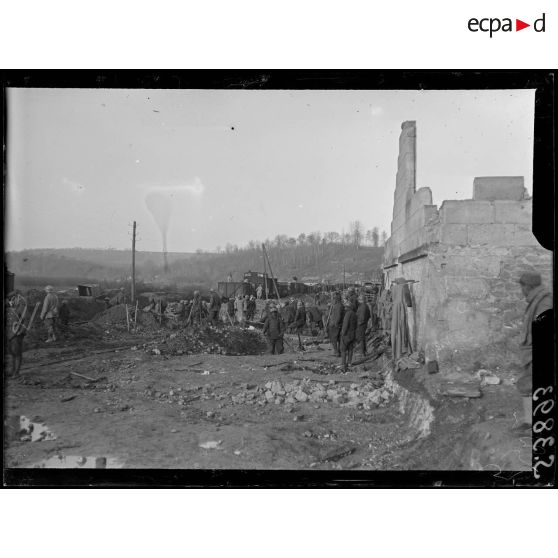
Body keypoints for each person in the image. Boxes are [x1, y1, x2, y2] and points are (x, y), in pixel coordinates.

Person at [514, 271, 553, 432]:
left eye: (522, 287)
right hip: (530, 353)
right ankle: (530, 422)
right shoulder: (537, 300)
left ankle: (532, 425)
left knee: (530, 385)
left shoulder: (544, 302)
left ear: (528, 287)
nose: (521, 291)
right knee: (528, 385)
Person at [6, 291, 27, 375]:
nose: (10, 301)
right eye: (9, 300)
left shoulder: (21, 307)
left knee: (17, 352)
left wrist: (20, 331)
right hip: (9, 333)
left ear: (15, 298)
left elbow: (25, 321)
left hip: (17, 333)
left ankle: (16, 372)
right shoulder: (10, 308)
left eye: (11, 299)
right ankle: (12, 370)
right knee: (11, 352)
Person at [340, 299, 357, 372]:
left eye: (345, 307)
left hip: (346, 334)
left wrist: (343, 333)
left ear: (348, 307)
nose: (344, 308)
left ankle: (343, 363)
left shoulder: (348, 314)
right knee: (350, 349)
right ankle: (349, 362)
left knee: (343, 349)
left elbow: (345, 325)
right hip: (352, 334)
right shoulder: (354, 314)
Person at [328, 291, 344, 357]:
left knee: (334, 338)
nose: (332, 300)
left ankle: (336, 351)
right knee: (337, 338)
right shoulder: (338, 305)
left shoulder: (338, 306)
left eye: (333, 298)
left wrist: (335, 323)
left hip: (335, 325)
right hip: (335, 323)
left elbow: (338, 316)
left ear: (336, 299)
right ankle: (338, 351)